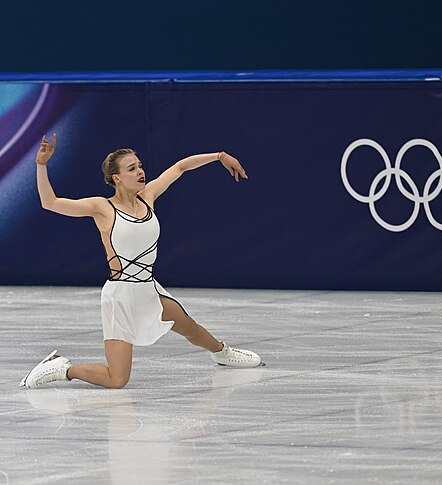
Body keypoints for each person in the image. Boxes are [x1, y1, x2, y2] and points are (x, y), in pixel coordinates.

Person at [20, 134, 263, 389]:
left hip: (148, 289)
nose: (140, 171)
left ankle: (222, 353)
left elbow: (181, 167)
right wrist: (41, 165)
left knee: (188, 326)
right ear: (116, 178)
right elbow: (50, 203)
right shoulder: (101, 207)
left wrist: (219, 156)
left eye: (140, 166)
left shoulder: (148, 196)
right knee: (117, 380)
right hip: (120, 298)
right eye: (132, 168)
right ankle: (62, 368)